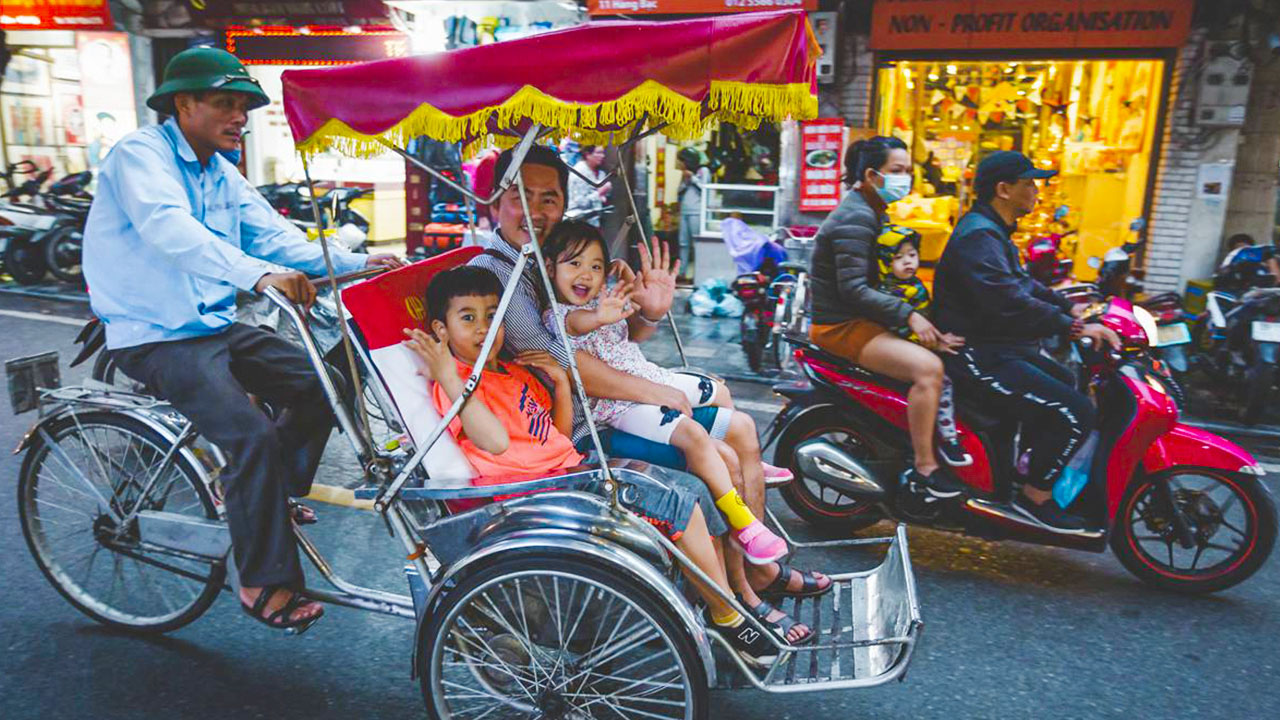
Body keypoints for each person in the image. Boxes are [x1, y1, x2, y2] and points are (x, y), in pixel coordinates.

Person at [81, 47, 404, 632]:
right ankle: (258, 580)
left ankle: (266, 502)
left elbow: (275, 236)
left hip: (211, 323)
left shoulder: (219, 172)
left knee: (323, 384)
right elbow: (168, 228)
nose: (240, 117)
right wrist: (257, 275)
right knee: (249, 434)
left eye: (244, 107)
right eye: (226, 105)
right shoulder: (141, 156)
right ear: (184, 104)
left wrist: (359, 262)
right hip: (154, 333)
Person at [469, 145, 831, 610]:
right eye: (522, 196)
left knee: (739, 430)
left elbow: (615, 342)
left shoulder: (551, 258)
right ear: (496, 200)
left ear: (563, 202)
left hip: (614, 407)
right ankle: (740, 598)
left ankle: (756, 574)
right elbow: (565, 363)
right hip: (583, 429)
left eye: (549, 198)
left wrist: (650, 313)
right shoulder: (499, 275)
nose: (537, 211)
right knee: (718, 455)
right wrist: (657, 392)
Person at [406, 266, 814, 664]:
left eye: (493, 316)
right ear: (441, 331)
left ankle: (721, 597)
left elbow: (557, 436)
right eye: (468, 318)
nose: (484, 329)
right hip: (532, 494)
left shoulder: (512, 372)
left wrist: (562, 386)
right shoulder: (457, 385)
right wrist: (450, 376)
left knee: (695, 488)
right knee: (680, 507)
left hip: (569, 471)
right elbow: (493, 442)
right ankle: (727, 616)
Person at [540, 219, 791, 563]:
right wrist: (599, 315)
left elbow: (633, 314)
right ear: (551, 268)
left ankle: (754, 463)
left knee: (716, 390)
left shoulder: (604, 299)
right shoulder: (558, 314)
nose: (585, 274)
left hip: (650, 377)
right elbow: (576, 325)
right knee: (692, 435)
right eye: (574, 264)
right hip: (620, 407)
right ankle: (745, 523)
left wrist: (631, 284)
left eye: (595, 266)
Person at [933, 150, 1119, 532]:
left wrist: (1071, 307)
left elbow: (1024, 285)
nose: (1037, 191)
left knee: (1067, 383)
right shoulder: (979, 236)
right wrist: (1074, 327)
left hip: (1001, 347)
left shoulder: (992, 229)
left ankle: (1022, 472)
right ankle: (1036, 497)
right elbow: (1009, 299)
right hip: (976, 355)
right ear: (1004, 189)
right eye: (1030, 183)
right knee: (1076, 411)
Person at [808, 136, 965, 498]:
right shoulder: (856, 218)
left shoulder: (872, 209)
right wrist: (911, 317)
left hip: (862, 320)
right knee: (929, 369)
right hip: (841, 327)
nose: (905, 179)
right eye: (897, 171)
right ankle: (925, 467)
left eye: (908, 171)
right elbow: (854, 290)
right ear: (871, 175)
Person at [875, 224, 971, 467]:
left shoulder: (914, 284)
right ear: (885, 262)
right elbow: (901, 329)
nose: (908, 262)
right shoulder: (889, 292)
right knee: (943, 382)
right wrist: (935, 343)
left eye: (912, 255)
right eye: (898, 257)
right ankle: (945, 441)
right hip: (899, 349)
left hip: (918, 346)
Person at [676, 148, 710, 285]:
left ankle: (698, 274)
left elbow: (706, 188)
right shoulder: (684, 174)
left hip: (697, 212)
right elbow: (679, 191)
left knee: (697, 244)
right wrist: (685, 181)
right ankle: (681, 272)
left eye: (682, 161)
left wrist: (693, 178)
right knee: (683, 243)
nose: (681, 164)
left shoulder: (703, 171)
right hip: (685, 211)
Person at [567, 144, 611, 227]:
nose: (602, 156)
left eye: (603, 153)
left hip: (595, 221)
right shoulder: (579, 172)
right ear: (587, 155)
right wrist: (599, 193)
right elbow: (580, 201)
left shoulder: (601, 173)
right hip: (579, 222)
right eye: (598, 153)